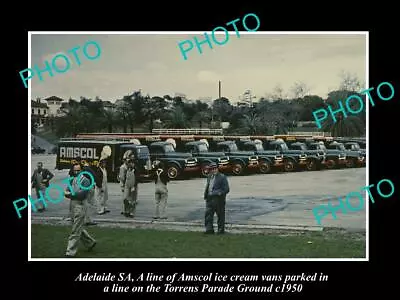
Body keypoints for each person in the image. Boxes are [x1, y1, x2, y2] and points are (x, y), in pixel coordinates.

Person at [64, 163, 97, 257]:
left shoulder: (85, 181)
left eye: (78, 170)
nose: (77, 172)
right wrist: (70, 193)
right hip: (72, 205)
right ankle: (90, 242)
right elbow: (66, 191)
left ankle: (70, 252)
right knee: (77, 227)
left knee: (75, 230)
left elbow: (82, 195)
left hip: (80, 205)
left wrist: (70, 194)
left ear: (82, 170)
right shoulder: (72, 180)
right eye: (75, 170)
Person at [203, 162, 230, 234]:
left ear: (217, 169)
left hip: (218, 199)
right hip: (209, 199)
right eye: (212, 169)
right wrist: (206, 195)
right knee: (208, 215)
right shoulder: (209, 177)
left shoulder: (222, 177)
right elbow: (208, 186)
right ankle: (209, 229)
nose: (214, 170)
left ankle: (220, 230)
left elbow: (226, 189)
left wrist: (219, 193)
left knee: (220, 215)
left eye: (215, 168)